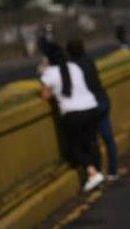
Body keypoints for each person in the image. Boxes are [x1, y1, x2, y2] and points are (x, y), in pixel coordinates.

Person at [39, 43, 105, 193]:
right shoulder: (74, 67)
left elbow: (45, 95)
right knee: (91, 142)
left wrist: (42, 73)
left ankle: (92, 173)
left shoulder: (49, 73)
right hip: (90, 106)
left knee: (74, 147)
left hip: (73, 113)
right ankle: (97, 173)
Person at [66, 38, 119, 181]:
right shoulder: (90, 61)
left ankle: (97, 172)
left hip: (90, 105)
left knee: (91, 141)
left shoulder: (72, 67)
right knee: (108, 138)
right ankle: (113, 171)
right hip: (103, 99)